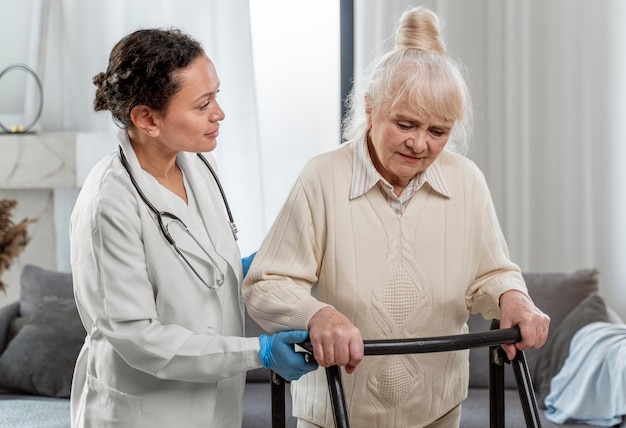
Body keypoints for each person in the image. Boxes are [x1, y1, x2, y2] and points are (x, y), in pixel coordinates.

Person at [242, 6, 550, 428]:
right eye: (405, 124)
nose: (419, 144)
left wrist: (513, 298)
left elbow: (491, 273)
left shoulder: (467, 181)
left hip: (438, 409)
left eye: (438, 131)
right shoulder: (322, 176)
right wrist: (318, 315)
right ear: (370, 110)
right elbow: (266, 283)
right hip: (335, 411)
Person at [69, 28, 317, 428]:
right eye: (203, 104)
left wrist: (252, 267)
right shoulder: (108, 205)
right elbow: (139, 340)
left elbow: (200, 266)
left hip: (216, 405)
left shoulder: (198, 163)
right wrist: (260, 352)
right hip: (145, 413)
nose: (219, 113)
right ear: (147, 118)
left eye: (216, 95)